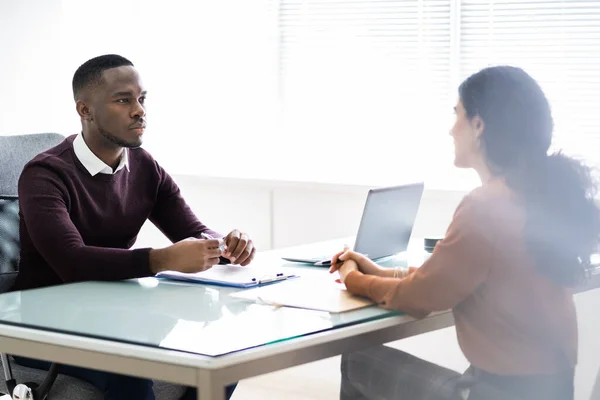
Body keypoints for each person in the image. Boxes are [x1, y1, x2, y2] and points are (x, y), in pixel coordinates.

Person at [330, 66, 600, 400]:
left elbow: (421, 297)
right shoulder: (539, 195)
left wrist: (352, 278)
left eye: (457, 114)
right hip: (552, 389)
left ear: (478, 125)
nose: (450, 129)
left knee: (358, 359)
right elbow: (451, 280)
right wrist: (378, 270)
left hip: (497, 394)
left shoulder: (485, 207)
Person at [12, 54, 253, 399]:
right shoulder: (45, 174)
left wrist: (226, 245)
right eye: (124, 100)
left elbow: (192, 230)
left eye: (142, 99)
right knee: (132, 375)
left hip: (114, 317)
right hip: (42, 327)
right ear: (85, 110)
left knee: (220, 357)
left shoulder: (143, 166)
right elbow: (72, 260)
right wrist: (160, 259)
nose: (139, 110)